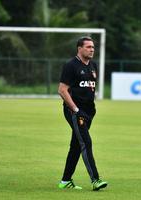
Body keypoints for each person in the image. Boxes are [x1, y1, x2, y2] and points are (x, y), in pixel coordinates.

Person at [57, 36, 108, 191]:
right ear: (79, 48)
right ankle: (95, 180)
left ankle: (65, 181)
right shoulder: (71, 66)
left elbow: (89, 88)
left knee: (76, 146)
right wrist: (76, 110)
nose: (92, 49)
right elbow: (62, 90)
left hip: (89, 112)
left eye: (93, 47)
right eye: (88, 47)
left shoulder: (93, 66)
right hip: (75, 111)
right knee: (86, 142)